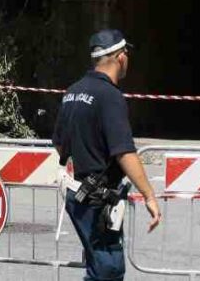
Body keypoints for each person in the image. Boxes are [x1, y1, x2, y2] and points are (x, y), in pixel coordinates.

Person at [52, 29, 160, 281]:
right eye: (127, 54)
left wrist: (86, 155)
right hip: (98, 202)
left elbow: (59, 144)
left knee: (98, 267)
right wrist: (149, 195)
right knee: (108, 269)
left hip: (78, 195)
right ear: (120, 57)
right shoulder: (110, 96)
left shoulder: (72, 92)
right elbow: (124, 152)